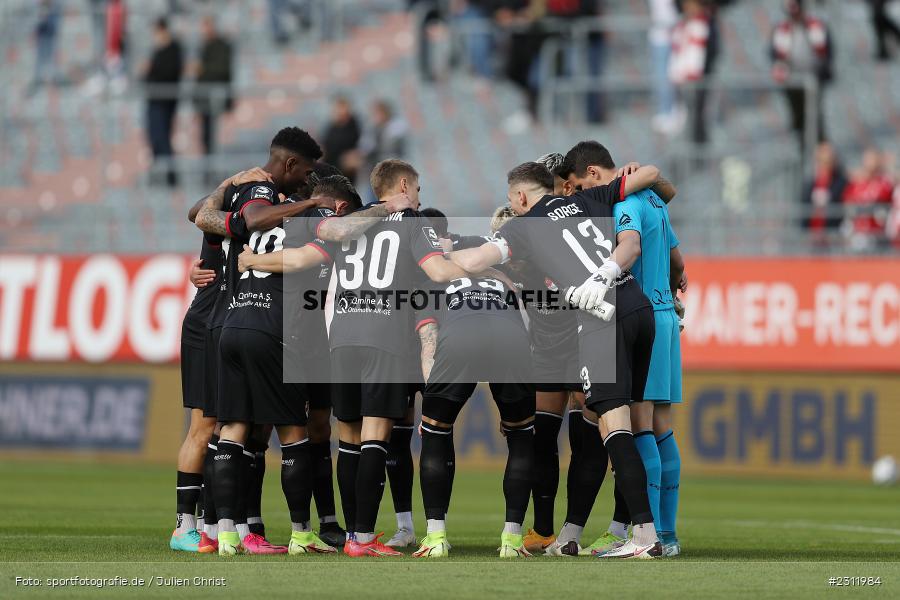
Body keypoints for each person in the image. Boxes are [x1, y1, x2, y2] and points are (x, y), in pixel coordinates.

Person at [235, 159, 465, 557]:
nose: (419, 197)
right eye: (419, 189)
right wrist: (479, 265)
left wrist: (252, 261)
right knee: (377, 437)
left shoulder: (351, 223)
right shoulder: (413, 223)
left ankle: (353, 535)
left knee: (350, 440)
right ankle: (361, 537)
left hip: (341, 338)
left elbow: (305, 258)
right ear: (405, 185)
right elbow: (439, 272)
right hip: (385, 336)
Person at [448, 155, 671, 558]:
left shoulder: (523, 227)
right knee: (629, 426)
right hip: (638, 308)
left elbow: (476, 260)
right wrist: (603, 272)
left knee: (615, 428)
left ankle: (643, 537)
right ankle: (590, 533)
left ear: (519, 197)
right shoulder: (590, 199)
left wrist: (440, 256)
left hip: (604, 320)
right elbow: (653, 174)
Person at [191, 128, 328, 556]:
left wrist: (227, 185)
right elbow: (253, 221)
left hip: (231, 325)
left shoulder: (248, 197)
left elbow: (199, 213)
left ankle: (225, 533)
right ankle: (302, 534)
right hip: (272, 329)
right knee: (293, 433)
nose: (306, 181)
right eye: (304, 173)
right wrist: (314, 206)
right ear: (289, 166)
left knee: (231, 429)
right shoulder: (280, 206)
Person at [412, 268, 536, 558]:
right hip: (512, 341)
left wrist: (432, 409)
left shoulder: (432, 279)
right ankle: (512, 540)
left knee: (434, 435)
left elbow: (428, 343)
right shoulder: (504, 280)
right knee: (520, 438)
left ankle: (435, 538)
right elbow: (525, 333)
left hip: (461, 337)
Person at [770, 0, 832, 147]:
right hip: (792, 82)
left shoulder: (815, 27)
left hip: (813, 80)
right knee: (798, 119)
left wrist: (822, 73)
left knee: (815, 119)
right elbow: (775, 55)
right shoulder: (782, 30)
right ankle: (803, 150)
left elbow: (825, 53)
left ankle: (820, 152)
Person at [669, 0, 718, 145]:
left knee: (698, 117)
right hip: (683, 80)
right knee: (685, 118)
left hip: (699, 80)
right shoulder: (683, 24)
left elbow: (709, 53)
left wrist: (698, 73)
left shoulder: (705, 24)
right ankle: (686, 150)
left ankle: (698, 150)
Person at [144, 18, 184, 187]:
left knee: (163, 138)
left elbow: (169, 74)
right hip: (154, 100)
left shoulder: (174, 49)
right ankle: (159, 175)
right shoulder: (158, 51)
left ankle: (170, 177)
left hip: (165, 102)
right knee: (154, 138)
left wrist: (150, 70)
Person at [194, 17, 234, 162]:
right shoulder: (203, 46)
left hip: (217, 98)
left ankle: (215, 168)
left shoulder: (222, 46)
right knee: (206, 137)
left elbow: (223, 70)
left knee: (216, 137)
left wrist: (202, 69)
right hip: (204, 100)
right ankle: (209, 169)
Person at [842, 149, 894, 252]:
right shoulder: (857, 184)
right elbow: (847, 203)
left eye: (873, 160)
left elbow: (886, 200)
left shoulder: (884, 183)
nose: (870, 163)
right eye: (868, 160)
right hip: (858, 231)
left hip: (877, 232)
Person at [802, 142, 847, 248]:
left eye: (828, 160)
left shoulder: (840, 182)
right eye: (822, 160)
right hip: (812, 236)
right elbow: (804, 205)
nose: (825, 163)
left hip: (832, 236)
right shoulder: (811, 183)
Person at [321, 96, 362, 182]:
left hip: (348, 172)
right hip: (331, 169)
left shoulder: (355, 126)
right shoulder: (331, 127)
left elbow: (362, 145)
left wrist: (356, 154)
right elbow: (325, 146)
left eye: (342, 107)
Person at [31, 0, 62, 92]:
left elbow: (53, 27)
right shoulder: (37, 8)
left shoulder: (56, 8)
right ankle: (39, 80)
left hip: (51, 38)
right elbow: (37, 26)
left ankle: (51, 80)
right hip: (42, 39)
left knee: (50, 60)